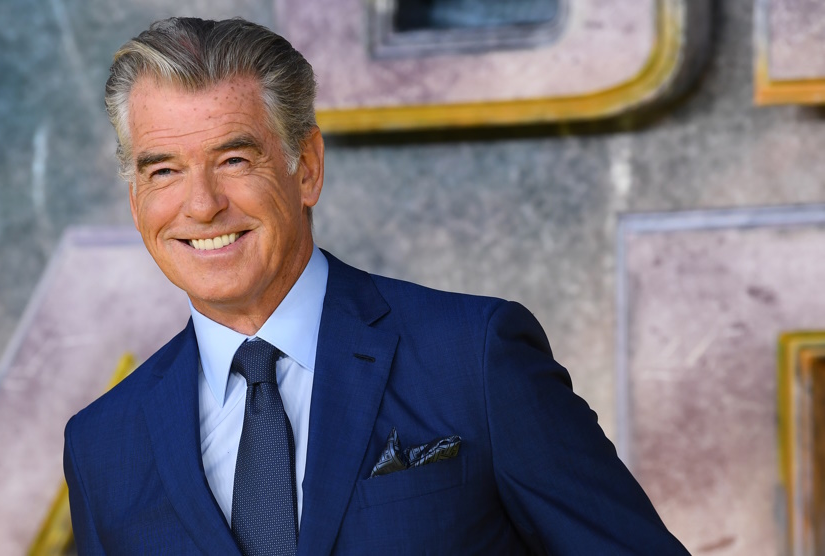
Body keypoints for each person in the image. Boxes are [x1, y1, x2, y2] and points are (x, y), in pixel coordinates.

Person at [63, 16, 689, 555]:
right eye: (164, 171)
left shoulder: (474, 359)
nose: (202, 205)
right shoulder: (103, 446)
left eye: (234, 160)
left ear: (307, 170)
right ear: (136, 200)